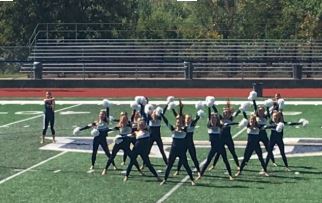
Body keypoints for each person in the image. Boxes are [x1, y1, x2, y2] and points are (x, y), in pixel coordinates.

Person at [197, 106, 234, 180]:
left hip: (220, 146)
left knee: (225, 160)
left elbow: (225, 123)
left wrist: (227, 124)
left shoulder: (220, 126)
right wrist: (209, 107)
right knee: (208, 161)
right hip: (213, 148)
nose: (213, 120)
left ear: (217, 120)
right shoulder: (209, 126)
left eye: (215, 119)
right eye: (212, 119)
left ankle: (230, 175)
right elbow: (209, 116)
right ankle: (200, 175)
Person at [160, 113, 195, 186]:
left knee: (186, 165)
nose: (178, 123)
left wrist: (197, 116)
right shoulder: (173, 128)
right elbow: (167, 122)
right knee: (169, 165)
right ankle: (165, 179)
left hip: (181, 151)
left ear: (182, 122)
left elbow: (192, 123)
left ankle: (192, 180)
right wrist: (162, 115)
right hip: (173, 151)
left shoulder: (185, 129)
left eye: (179, 122)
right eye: (177, 122)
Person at [210, 100, 240, 170]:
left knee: (232, 151)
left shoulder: (231, 118)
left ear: (229, 114)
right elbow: (216, 111)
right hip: (221, 138)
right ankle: (213, 165)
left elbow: (238, 112)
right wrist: (212, 104)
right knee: (218, 152)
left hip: (228, 138)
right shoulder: (220, 118)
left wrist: (241, 109)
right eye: (224, 113)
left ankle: (238, 165)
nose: (224, 114)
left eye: (226, 113)